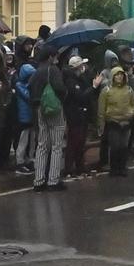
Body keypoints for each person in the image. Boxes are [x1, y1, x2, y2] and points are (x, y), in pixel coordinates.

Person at [27, 46, 68, 191]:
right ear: (50, 57)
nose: (56, 58)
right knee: (57, 145)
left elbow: (29, 87)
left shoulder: (37, 71)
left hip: (39, 109)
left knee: (42, 145)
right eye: (55, 56)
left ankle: (38, 180)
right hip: (54, 108)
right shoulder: (53, 70)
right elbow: (60, 88)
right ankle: (53, 180)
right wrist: (64, 96)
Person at [97, 67, 134, 176]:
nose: (119, 77)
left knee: (124, 146)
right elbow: (101, 109)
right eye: (117, 74)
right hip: (113, 122)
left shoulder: (129, 90)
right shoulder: (106, 90)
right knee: (115, 146)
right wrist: (101, 125)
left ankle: (122, 167)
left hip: (126, 122)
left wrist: (131, 113)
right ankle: (114, 168)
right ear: (113, 76)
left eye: (121, 74)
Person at [63, 56, 96, 177]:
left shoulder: (80, 78)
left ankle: (80, 167)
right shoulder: (70, 81)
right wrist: (93, 87)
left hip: (82, 114)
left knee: (81, 142)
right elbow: (80, 96)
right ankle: (69, 169)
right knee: (73, 142)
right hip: (74, 115)